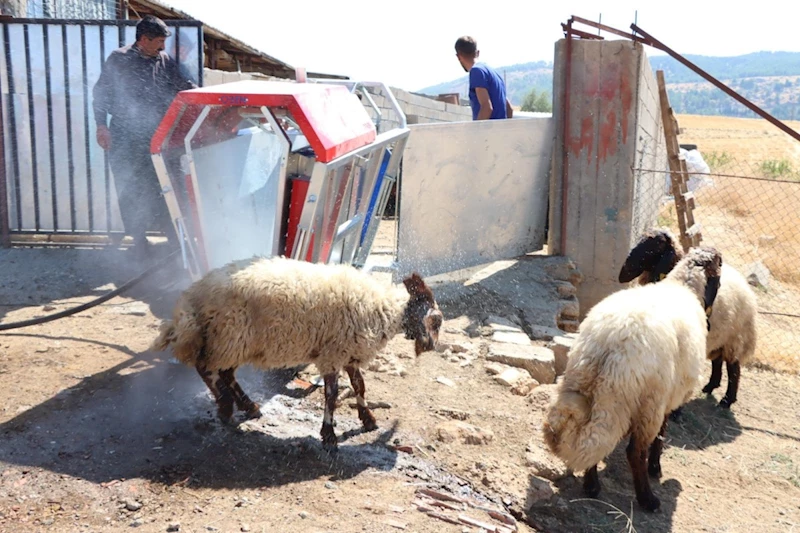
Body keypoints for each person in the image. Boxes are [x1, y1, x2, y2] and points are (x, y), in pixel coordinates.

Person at [93, 15, 197, 261]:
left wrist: (205, 98)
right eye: (159, 41)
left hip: (158, 136)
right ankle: (138, 241)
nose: (162, 46)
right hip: (125, 136)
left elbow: (186, 86)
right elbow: (101, 94)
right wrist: (101, 126)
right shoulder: (119, 59)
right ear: (143, 39)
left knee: (164, 185)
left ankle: (173, 238)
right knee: (130, 188)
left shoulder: (165, 61)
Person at [454, 36, 513, 121]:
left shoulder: (476, 71)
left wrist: (476, 132)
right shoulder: (494, 73)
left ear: (459, 56)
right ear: (477, 53)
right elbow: (509, 109)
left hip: (488, 132)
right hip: (500, 131)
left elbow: (487, 108)